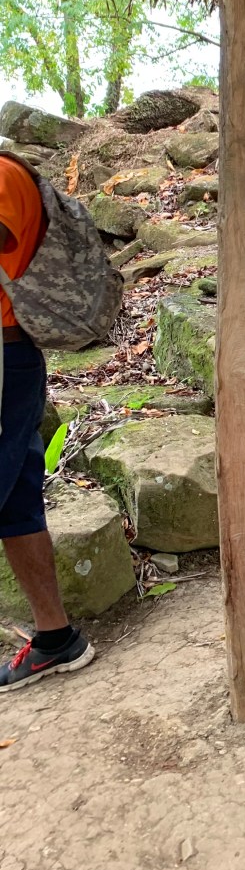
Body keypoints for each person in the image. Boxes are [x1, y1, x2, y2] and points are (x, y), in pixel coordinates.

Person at [0, 153, 94, 691]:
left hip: (4, 358)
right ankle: (56, 637)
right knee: (16, 507)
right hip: (11, 359)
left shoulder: (2, 175)